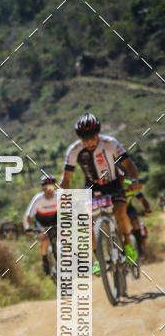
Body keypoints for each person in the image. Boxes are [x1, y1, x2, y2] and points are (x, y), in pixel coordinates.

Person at [59, 112, 139, 274]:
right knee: (86, 222)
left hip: (113, 183)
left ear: (98, 134)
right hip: (92, 187)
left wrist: (134, 181)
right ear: (79, 138)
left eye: (92, 137)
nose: (88, 142)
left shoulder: (110, 143)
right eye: (84, 139)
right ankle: (98, 259)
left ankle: (128, 246)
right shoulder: (74, 150)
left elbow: (129, 165)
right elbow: (65, 179)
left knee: (120, 211)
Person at [23, 174, 58, 276]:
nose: (50, 190)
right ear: (42, 188)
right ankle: (45, 261)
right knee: (45, 238)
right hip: (41, 223)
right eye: (47, 187)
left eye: (52, 187)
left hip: (55, 220)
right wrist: (27, 227)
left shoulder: (58, 196)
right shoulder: (38, 199)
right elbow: (27, 216)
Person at [122, 175, 151, 256]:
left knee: (135, 220)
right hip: (115, 209)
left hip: (129, 208)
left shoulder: (130, 185)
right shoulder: (111, 185)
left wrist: (147, 208)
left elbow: (142, 199)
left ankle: (139, 246)